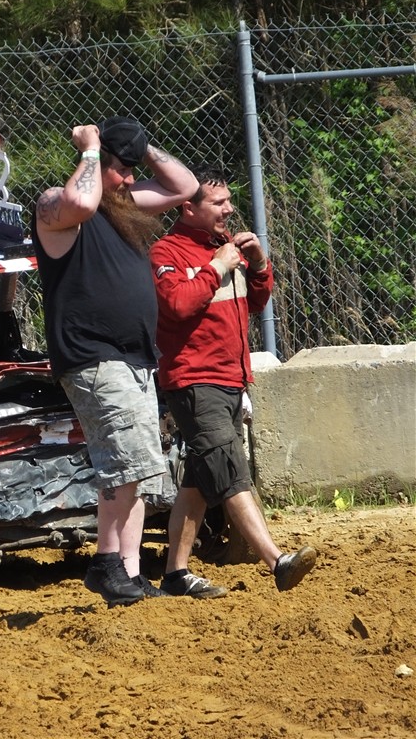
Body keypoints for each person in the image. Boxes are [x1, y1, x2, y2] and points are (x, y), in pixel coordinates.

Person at [32, 116, 198, 606]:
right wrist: (90, 146)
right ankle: (105, 564)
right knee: (124, 463)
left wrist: (139, 148)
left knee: (137, 465)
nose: (129, 179)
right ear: (94, 165)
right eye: (120, 170)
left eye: (132, 170)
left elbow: (185, 187)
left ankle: (129, 571)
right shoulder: (55, 206)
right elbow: (81, 200)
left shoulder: (121, 206)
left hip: (133, 358)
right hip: (93, 357)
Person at [150, 166, 316, 597]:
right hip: (194, 380)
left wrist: (258, 263)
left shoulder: (225, 247)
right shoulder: (167, 251)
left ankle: (175, 575)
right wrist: (216, 266)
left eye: (228, 200)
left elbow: (255, 301)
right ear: (187, 208)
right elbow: (177, 305)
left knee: (200, 479)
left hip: (231, 379)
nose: (228, 209)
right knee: (228, 470)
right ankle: (277, 561)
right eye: (218, 202)